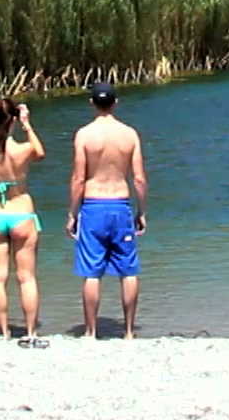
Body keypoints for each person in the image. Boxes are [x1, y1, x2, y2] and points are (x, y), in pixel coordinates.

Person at [66, 80, 147, 339]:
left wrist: (72, 213)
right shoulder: (130, 134)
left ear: (92, 103)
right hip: (120, 205)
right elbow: (139, 179)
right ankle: (129, 331)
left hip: (93, 206)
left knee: (91, 272)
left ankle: (90, 331)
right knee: (128, 270)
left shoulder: (84, 135)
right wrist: (141, 211)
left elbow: (78, 178)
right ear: (115, 103)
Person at [0, 97, 47, 345]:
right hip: (22, 214)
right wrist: (27, 124)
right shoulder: (22, 150)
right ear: (13, 120)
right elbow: (40, 153)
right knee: (26, 277)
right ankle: (30, 332)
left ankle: (4, 332)